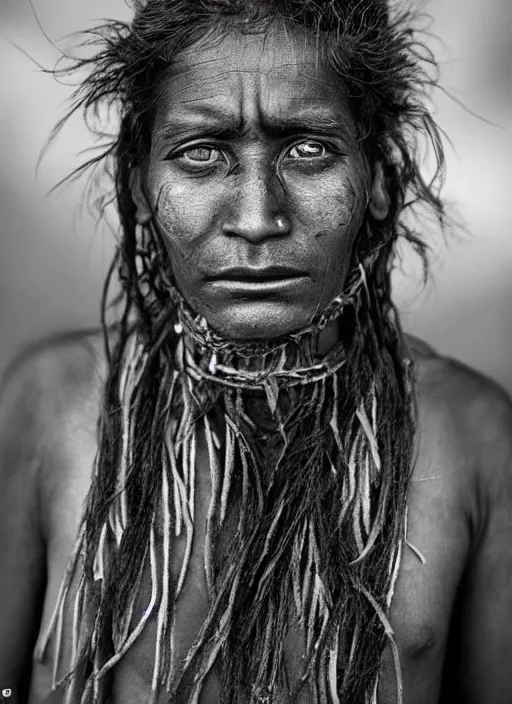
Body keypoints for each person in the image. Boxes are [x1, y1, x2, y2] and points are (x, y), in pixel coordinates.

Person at [0, 0, 511, 702]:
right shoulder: (51, 405)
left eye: (308, 150)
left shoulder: (473, 438)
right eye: (201, 152)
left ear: (381, 182)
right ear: (139, 183)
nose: (256, 219)